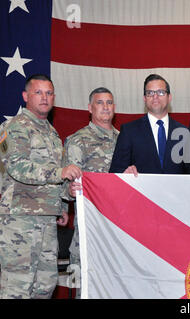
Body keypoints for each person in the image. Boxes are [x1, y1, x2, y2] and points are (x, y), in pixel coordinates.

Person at [0, 74, 82, 299]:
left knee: (44, 286)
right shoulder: (15, 127)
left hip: (47, 220)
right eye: (38, 92)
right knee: (16, 288)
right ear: (26, 96)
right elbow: (17, 167)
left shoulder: (51, 133)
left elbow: (55, 176)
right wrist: (60, 173)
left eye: (49, 93)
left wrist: (65, 200)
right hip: (19, 220)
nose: (44, 98)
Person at [63, 87, 119, 298]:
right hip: (89, 228)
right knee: (85, 286)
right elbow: (66, 186)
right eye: (100, 102)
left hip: (117, 228)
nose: (105, 107)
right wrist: (70, 190)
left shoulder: (124, 139)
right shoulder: (78, 140)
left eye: (109, 102)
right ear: (90, 108)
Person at [109, 74, 186, 175]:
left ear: (169, 97)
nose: (155, 96)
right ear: (145, 98)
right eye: (150, 93)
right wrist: (125, 173)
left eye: (161, 92)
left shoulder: (184, 132)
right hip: (140, 190)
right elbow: (115, 171)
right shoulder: (129, 131)